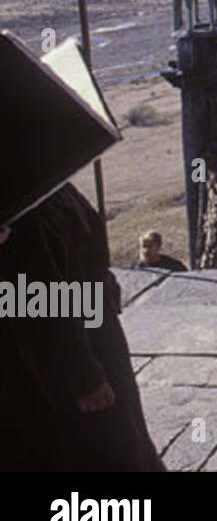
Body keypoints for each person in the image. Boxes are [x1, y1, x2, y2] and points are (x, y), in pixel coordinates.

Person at [0, 186, 164, 470]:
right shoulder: (20, 207)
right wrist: (82, 374)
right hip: (67, 356)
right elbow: (37, 298)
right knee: (102, 448)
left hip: (92, 328)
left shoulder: (44, 181)